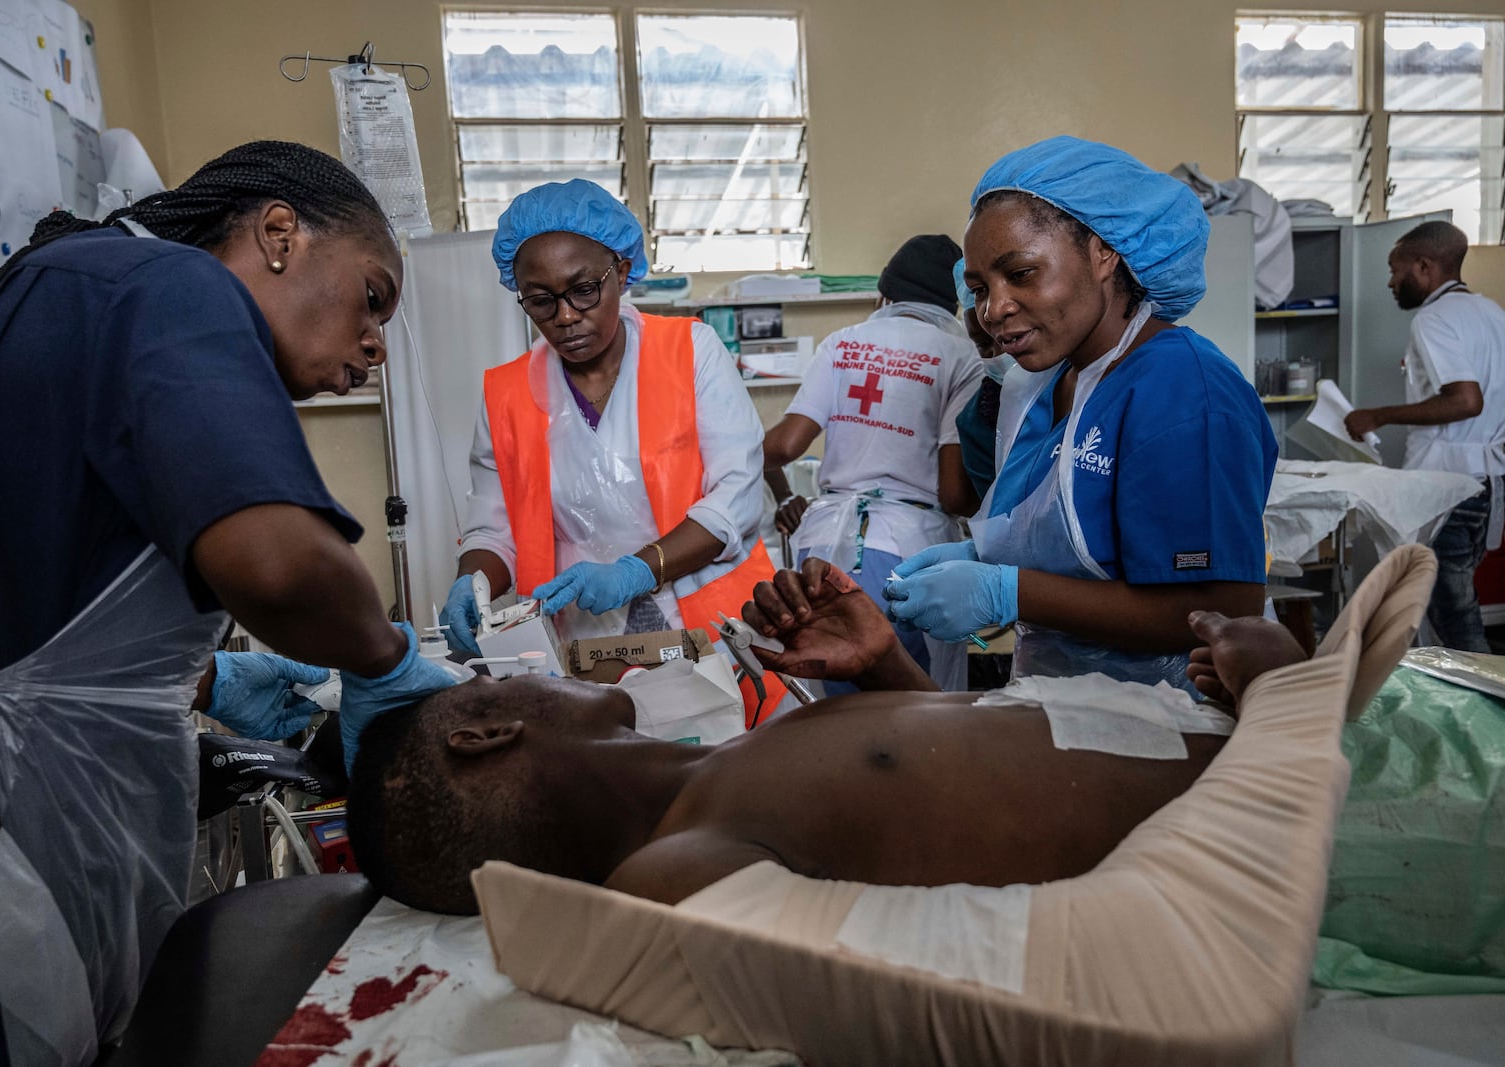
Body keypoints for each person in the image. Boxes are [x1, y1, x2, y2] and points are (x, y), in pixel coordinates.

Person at [0, 142, 463, 1066]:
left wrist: (207, 674)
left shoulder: (48, 287)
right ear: (279, 232)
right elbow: (280, 565)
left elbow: (26, 575)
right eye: (372, 297)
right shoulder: (173, 288)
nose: (374, 344)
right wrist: (383, 660)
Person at [348, 557, 1307, 915]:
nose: (537, 665)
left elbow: (969, 785)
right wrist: (1277, 691)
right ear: (485, 732)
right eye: (497, 680)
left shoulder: (715, 779)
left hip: (1236, 730)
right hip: (1294, 791)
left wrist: (883, 668)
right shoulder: (678, 869)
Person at [885, 136, 1278, 691]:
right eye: (978, 289)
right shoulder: (1053, 384)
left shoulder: (1184, 387)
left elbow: (1223, 608)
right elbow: (1076, 542)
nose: (994, 309)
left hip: (1170, 720)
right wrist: (982, 555)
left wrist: (1006, 591)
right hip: (1068, 704)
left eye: (1020, 273)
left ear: (1103, 252)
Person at [442, 179, 782, 713]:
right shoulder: (507, 393)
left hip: (713, 625)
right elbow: (495, 526)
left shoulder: (689, 352)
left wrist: (637, 571)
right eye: (539, 300)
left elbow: (737, 495)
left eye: (583, 290)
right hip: (587, 641)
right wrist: (474, 582)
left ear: (622, 272)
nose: (566, 316)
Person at [761, 234, 983, 691]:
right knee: (915, 703)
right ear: (955, 305)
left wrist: (785, 497)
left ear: (884, 294)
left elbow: (782, 447)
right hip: (912, 552)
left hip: (821, 550)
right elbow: (953, 494)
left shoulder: (842, 344)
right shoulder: (961, 355)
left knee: (833, 698)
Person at [1345, 221, 1505, 651]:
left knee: (1450, 614)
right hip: (1482, 485)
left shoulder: (1434, 319)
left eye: (1396, 271)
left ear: (1424, 266)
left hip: (1447, 488)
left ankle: (1485, 712)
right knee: (1447, 607)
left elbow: (1465, 400)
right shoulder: (1491, 312)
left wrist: (1377, 415)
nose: (1392, 282)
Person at [950, 255, 1012, 502]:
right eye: (983, 344)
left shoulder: (1079, 387)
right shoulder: (976, 422)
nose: (998, 354)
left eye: (1005, 339)